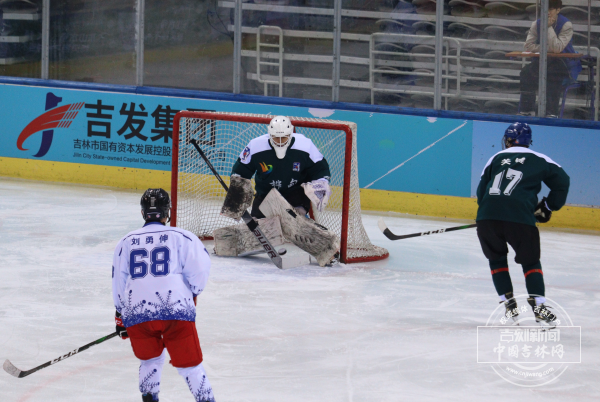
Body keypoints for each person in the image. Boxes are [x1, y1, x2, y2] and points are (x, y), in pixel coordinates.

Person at [112, 189, 215, 402]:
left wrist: (120, 315)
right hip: (176, 311)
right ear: (167, 212)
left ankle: (150, 398)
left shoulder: (125, 242)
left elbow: (119, 281)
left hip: (137, 314)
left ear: (143, 213)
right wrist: (192, 292)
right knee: (190, 366)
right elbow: (201, 270)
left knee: (149, 361)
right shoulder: (184, 237)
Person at [475, 122, 570, 326]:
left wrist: (487, 215)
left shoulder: (495, 158)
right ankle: (539, 308)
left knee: (497, 260)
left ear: (508, 140)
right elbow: (563, 182)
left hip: (487, 219)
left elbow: (481, 193)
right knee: (530, 262)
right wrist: (548, 206)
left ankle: (509, 308)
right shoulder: (540, 159)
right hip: (520, 219)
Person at [226, 115, 332, 218]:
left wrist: (321, 183)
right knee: (259, 229)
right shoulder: (255, 146)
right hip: (265, 197)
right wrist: (237, 189)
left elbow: (320, 169)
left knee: (295, 227)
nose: (280, 141)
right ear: (270, 134)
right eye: (276, 137)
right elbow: (241, 170)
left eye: (284, 137)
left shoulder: (305, 145)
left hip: (295, 198)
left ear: (290, 134)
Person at [519, 0, 582, 118]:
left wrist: (548, 27)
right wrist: (548, 49)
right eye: (545, 8)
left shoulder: (566, 25)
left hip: (563, 63)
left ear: (558, 10)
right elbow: (528, 46)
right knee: (526, 72)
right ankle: (527, 110)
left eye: (551, 9)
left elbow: (558, 48)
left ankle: (551, 112)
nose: (547, 12)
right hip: (542, 61)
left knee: (552, 74)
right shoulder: (536, 24)